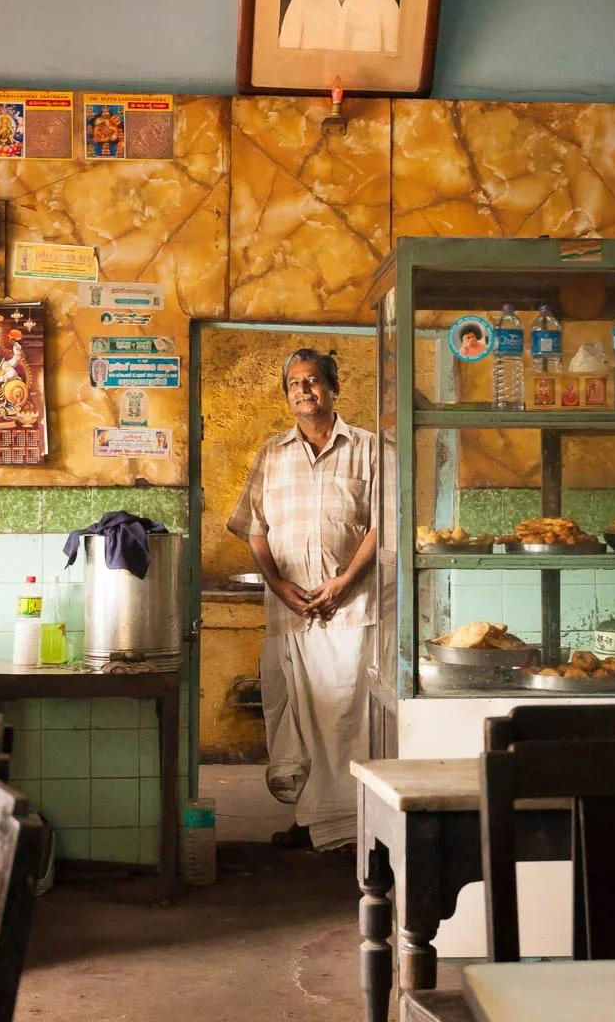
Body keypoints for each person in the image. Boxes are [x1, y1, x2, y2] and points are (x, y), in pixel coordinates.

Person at [227, 349, 376, 852]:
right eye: (293, 383)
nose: (303, 390)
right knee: (298, 715)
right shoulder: (272, 453)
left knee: (348, 720)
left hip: (352, 612)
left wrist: (345, 582)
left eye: (313, 381)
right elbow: (254, 528)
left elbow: (385, 526)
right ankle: (313, 819)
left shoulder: (371, 449)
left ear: (334, 388)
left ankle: (355, 826)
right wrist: (277, 584)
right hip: (291, 613)